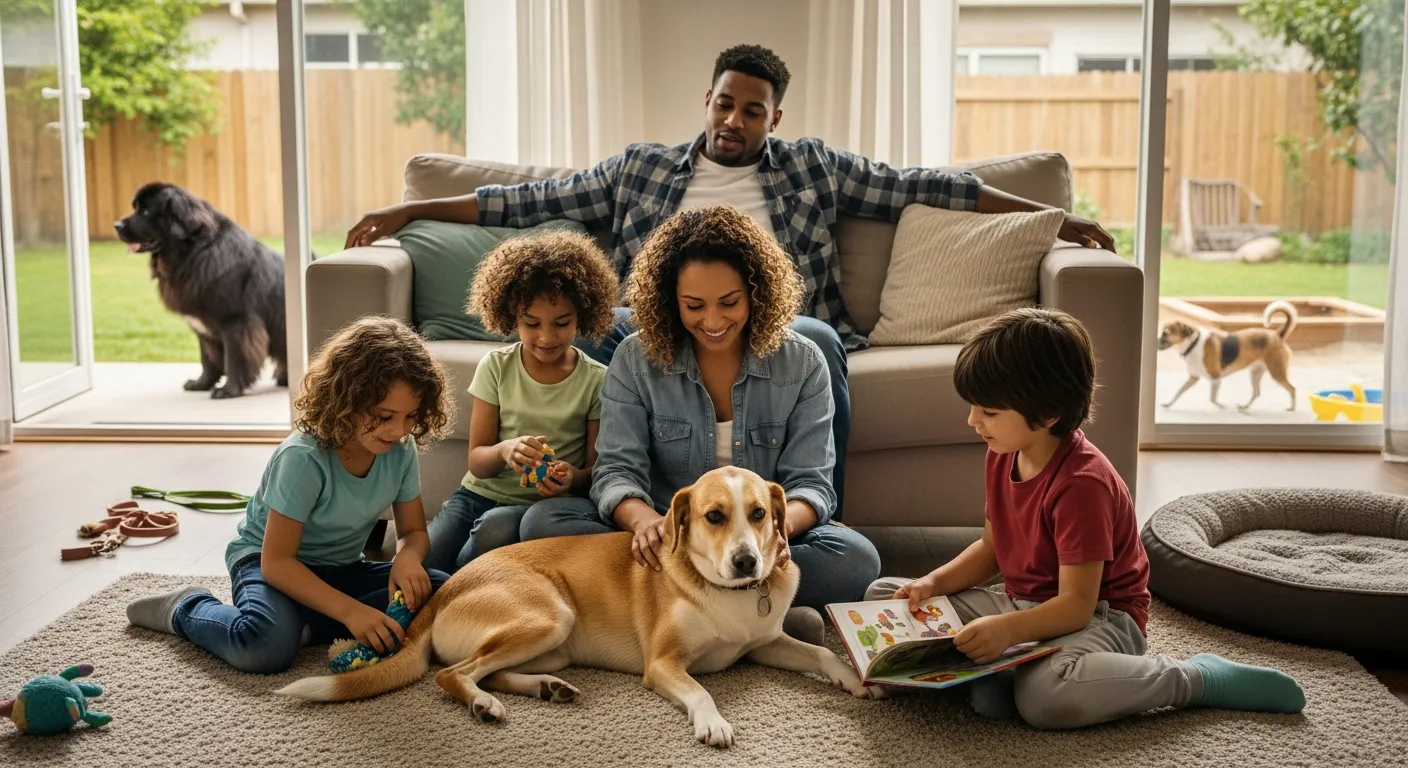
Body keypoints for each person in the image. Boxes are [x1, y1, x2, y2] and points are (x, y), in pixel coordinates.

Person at [342, 44, 1115, 521]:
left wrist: (1049, 216)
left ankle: (815, 516)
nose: (733, 120)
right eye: (724, 102)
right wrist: (410, 208)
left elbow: (926, 187)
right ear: (705, 101)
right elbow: (526, 204)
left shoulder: (814, 166)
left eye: (752, 109)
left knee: (813, 339)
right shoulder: (642, 167)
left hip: (783, 330)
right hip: (648, 323)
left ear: (775, 117)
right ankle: (607, 509)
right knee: (601, 331)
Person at [866, 307, 1305, 729]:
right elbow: (991, 550)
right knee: (886, 596)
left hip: (1099, 617)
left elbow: (1076, 605)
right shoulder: (1003, 451)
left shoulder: (1082, 484)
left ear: (1049, 414)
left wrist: (1005, 630)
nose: (972, 420)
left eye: (989, 412)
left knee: (1047, 699)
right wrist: (933, 584)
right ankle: (1000, 673)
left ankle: (1196, 678)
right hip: (1022, 606)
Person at [518, 205, 882, 645]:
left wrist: (779, 535)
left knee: (857, 560)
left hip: (757, 543)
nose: (712, 321)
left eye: (729, 303)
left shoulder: (803, 362)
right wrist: (647, 522)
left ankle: (715, 620)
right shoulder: (635, 359)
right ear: (670, 300)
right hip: (669, 543)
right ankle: (763, 620)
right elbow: (615, 471)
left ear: (756, 293)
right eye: (694, 306)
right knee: (542, 523)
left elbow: (811, 485)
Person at [125, 316, 458, 674]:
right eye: (384, 416)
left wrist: (407, 557)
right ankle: (186, 607)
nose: (399, 430)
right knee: (263, 647)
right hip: (268, 565)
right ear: (348, 398)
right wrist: (350, 611)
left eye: (410, 416)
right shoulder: (303, 458)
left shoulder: (400, 449)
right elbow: (277, 563)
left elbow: (412, 532)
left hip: (341, 568)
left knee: (443, 591)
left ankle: (306, 624)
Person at [423, 230, 619, 573]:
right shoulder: (496, 367)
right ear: (512, 316)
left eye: (561, 323)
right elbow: (477, 463)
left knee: (491, 531)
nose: (546, 337)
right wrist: (504, 450)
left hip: (536, 508)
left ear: (582, 316)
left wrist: (571, 478)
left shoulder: (595, 379)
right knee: (421, 560)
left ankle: (456, 593)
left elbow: (595, 473)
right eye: (532, 324)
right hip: (476, 496)